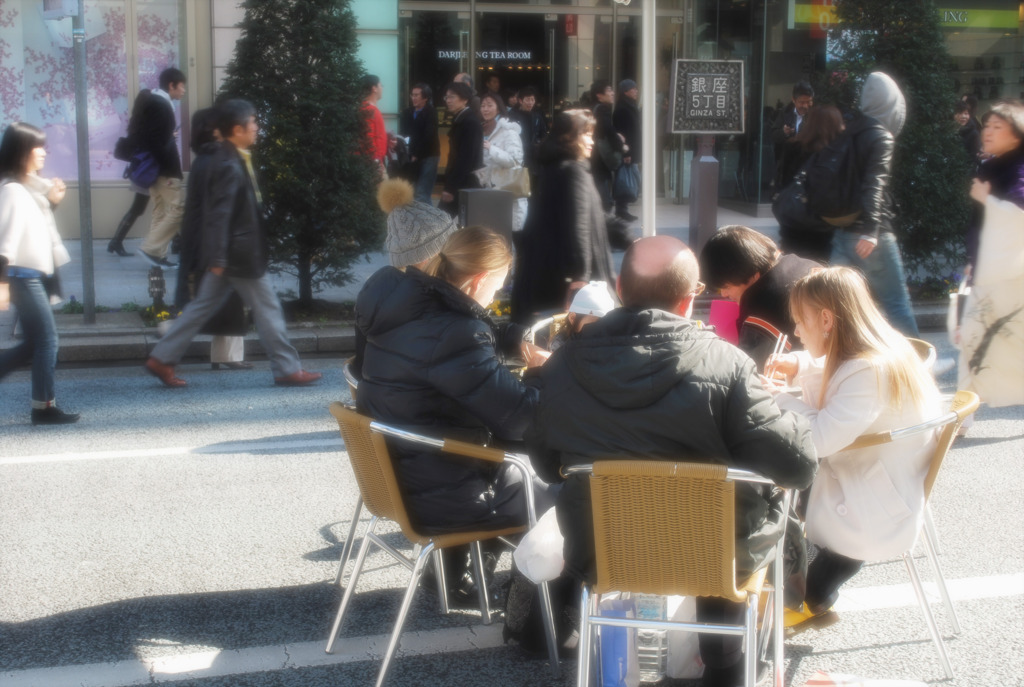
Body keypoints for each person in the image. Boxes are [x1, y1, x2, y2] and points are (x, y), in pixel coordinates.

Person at [527, 235, 817, 687]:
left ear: (620, 289)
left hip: (604, 549)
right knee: (733, 515)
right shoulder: (728, 364)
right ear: (688, 300)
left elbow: (546, 466)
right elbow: (797, 466)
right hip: (716, 554)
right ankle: (725, 664)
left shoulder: (560, 367)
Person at [767, 267, 939, 625]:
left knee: (771, 492)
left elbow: (819, 439)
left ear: (827, 319)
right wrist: (799, 363)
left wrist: (778, 398)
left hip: (871, 498)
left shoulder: (867, 370)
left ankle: (802, 598)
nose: (796, 331)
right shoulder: (879, 347)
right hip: (882, 475)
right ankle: (809, 594)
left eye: (801, 321)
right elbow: (832, 365)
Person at [356, 225, 554, 535]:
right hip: (452, 494)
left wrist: (514, 338)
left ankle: (463, 576)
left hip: (400, 478)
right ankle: (542, 583)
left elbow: (449, 344)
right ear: (479, 280)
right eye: (498, 287)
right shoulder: (457, 334)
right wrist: (541, 374)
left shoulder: (406, 306)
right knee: (575, 494)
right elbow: (522, 420)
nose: (495, 297)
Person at [144, 99, 321, 389]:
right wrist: (218, 258)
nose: (257, 128)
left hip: (231, 255)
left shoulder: (232, 156)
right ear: (237, 129)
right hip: (238, 256)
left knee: (200, 308)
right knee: (268, 309)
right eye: (253, 123)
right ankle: (287, 368)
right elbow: (219, 214)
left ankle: (162, 359)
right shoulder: (227, 162)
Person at [829, 72, 919, 338]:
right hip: (869, 235)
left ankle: (837, 362)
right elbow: (874, 185)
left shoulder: (849, 130)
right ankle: (919, 365)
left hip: (842, 231)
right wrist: (871, 229)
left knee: (836, 303)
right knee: (896, 303)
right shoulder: (881, 136)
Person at [0, 122, 79, 424]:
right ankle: (43, 407)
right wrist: (2, 283)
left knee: (34, 342)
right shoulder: (13, 191)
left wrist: (52, 204)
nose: (44, 152)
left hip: (31, 274)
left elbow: (33, 232)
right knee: (48, 341)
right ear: (22, 152)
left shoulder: (28, 190)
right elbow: (5, 242)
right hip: (22, 276)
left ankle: (42, 406)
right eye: (38, 147)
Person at [510, 109, 616, 323]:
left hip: (549, 274)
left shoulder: (556, 167)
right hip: (568, 280)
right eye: (586, 134)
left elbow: (596, 217)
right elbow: (578, 227)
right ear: (569, 137)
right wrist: (580, 277)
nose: (592, 141)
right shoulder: (572, 171)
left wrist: (629, 236)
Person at [350, 177, 459, 381]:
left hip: (373, 395)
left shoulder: (380, 288)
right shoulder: (428, 299)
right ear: (428, 257)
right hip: (410, 404)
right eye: (450, 247)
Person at [171, 107, 251, 372]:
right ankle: (169, 348)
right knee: (224, 299)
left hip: (204, 242)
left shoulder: (203, 159)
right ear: (215, 130)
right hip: (219, 243)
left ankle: (223, 355)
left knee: (214, 300)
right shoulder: (221, 158)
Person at [957, 99, 1024, 407]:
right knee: (972, 338)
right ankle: (962, 414)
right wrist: (972, 259)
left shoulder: (1019, 166)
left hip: (1013, 274)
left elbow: (1018, 215)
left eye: (999, 127)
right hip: (990, 269)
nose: (988, 131)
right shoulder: (987, 165)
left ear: (1017, 135)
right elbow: (978, 225)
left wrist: (988, 201)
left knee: (1010, 345)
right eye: (987, 125)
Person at [699, 225, 821, 370]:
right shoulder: (801, 263)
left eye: (725, 287)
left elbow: (751, 370)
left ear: (751, 275)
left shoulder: (762, 306)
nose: (724, 294)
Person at [774, 105, 844, 263]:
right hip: (821, 225)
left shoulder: (793, 146)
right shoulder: (834, 154)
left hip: (792, 219)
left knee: (792, 266)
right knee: (817, 269)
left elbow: (782, 180)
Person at [135, 67, 187, 268]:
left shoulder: (152, 102)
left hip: (154, 170)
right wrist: (165, 169)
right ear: (172, 85)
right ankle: (150, 248)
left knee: (161, 211)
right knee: (178, 208)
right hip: (165, 170)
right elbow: (155, 141)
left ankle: (156, 255)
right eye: (181, 86)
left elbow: (149, 137)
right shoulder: (162, 105)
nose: (183, 91)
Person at [478, 92, 527, 232]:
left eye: (489, 105)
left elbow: (515, 161)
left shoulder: (508, 131)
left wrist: (491, 148)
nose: (485, 109)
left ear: (498, 108)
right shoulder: (483, 129)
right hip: (488, 189)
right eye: (482, 106)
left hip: (506, 192)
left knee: (504, 234)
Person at [438, 81, 483, 217]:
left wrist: (451, 188)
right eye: (446, 97)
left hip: (464, 184)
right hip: (460, 183)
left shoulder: (469, 122)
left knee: (440, 220)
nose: (448, 101)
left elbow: (465, 159)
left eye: (452, 97)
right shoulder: (461, 119)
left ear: (464, 99)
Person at [399, 83, 440, 204]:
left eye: (417, 95)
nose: (414, 98)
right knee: (414, 190)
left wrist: (416, 153)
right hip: (411, 155)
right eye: (412, 95)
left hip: (429, 155)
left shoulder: (431, 113)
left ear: (425, 98)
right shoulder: (407, 112)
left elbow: (428, 135)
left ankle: (428, 220)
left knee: (423, 191)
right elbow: (403, 133)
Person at [589, 80, 624, 213]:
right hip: (600, 158)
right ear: (599, 95)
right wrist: (620, 144)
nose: (612, 93)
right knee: (604, 196)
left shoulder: (593, 108)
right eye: (609, 90)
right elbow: (607, 130)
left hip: (593, 157)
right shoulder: (602, 110)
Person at [612, 79, 641, 221]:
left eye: (636, 89)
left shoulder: (631, 106)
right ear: (625, 91)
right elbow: (622, 132)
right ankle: (621, 210)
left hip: (631, 149)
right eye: (633, 89)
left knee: (630, 179)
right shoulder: (622, 109)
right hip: (627, 151)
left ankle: (623, 209)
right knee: (625, 180)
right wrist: (626, 152)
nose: (636, 91)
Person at [771, 81, 814, 161]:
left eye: (809, 102)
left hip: (807, 162)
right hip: (787, 163)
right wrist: (784, 132)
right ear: (793, 100)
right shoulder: (785, 112)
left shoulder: (815, 115)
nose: (805, 106)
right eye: (801, 102)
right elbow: (774, 136)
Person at [515, 86, 548, 182]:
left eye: (532, 100)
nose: (530, 103)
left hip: (534, 157)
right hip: (520, 155)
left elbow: (543, 135)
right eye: (528, 99)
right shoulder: (513, 116)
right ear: (520, 101)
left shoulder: (537, 116)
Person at [361, 74, 387, 178]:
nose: (382, 88)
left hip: (371, 161)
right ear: (374, 88)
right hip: (372, 162)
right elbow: (368, 137)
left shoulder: (366, 108)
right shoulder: (369, 110)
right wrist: (376, 161)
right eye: (380, 85)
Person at [954, 101, 981, 165]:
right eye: (960, 113)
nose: (963, 116)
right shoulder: (946, 130)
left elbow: (974, 158)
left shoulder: (973, 134)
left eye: (966, 113)